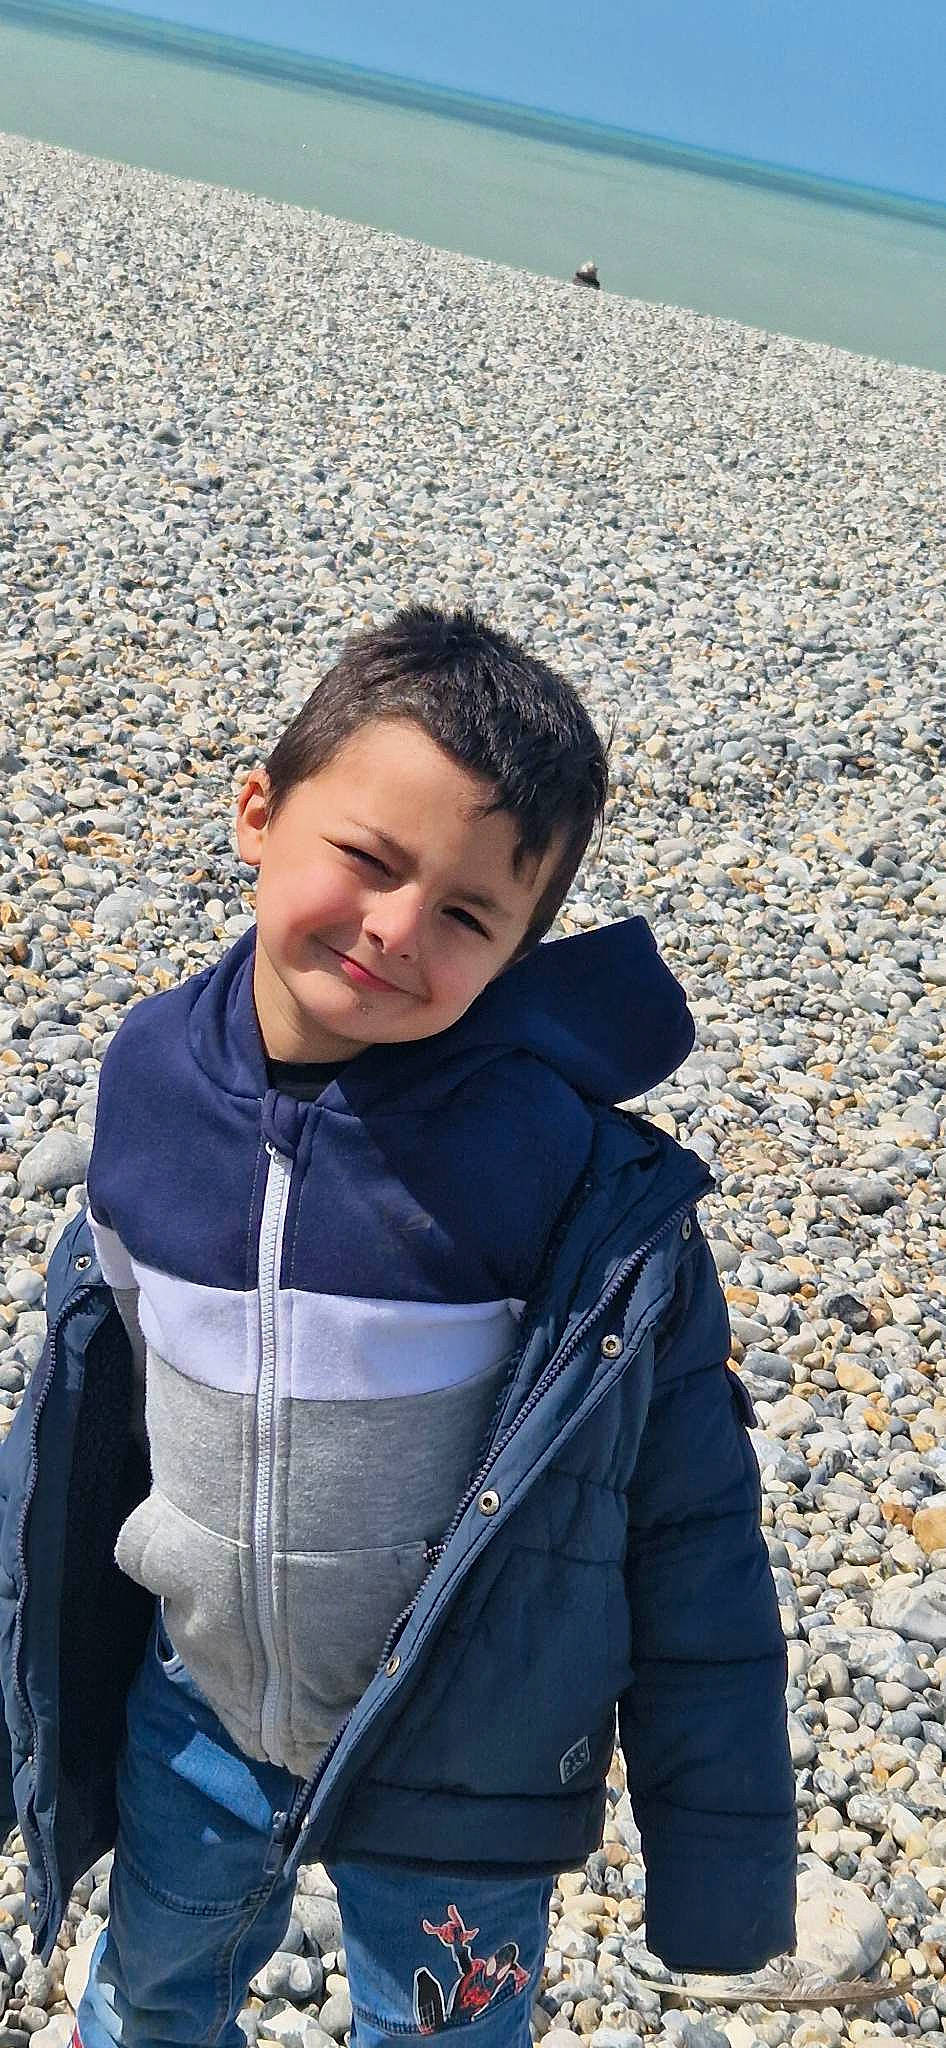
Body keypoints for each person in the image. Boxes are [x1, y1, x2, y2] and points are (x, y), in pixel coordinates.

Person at [0, 606, 797, 2048]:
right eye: (367, 860)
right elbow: (79, 1415)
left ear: (515, 955)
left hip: (465, 1764)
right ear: (258, 809)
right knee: (147, 2004)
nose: (392, 931)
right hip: (205, 1717)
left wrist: (719, 1866)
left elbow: (691, 1529)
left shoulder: (558, 1174)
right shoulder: (147, 1087)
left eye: (465, 916)